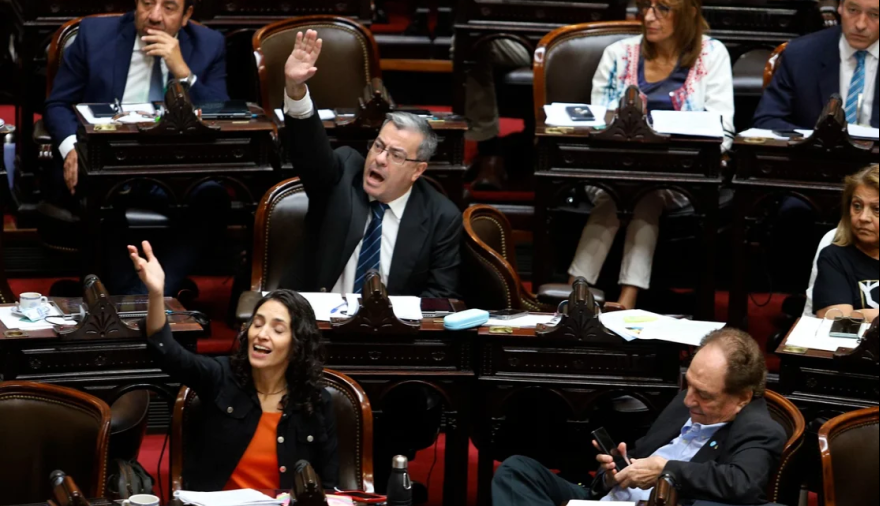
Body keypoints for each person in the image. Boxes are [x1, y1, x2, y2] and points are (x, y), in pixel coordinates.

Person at [43, 0, 232, 296]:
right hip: (104, 163)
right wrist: (72, 149)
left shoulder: (209, 45)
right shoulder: (94, 35)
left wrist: (184, 73)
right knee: (99, 193)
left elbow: (221, 114)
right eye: (147, 3)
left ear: (186, 15)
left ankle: (138, 299)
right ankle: (145, 302)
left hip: (175, 168)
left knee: (213, 198)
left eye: (169, 7)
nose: (154, 16)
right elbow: (57, 104)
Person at [129, 240, 339, 491]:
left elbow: (329, 484)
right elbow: (168, 353)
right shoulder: (221, 376)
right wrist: (156, 293)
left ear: (297, 344)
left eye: (277, 329)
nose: (262, 334)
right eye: (257, 324)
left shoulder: (315, 401)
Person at [492, 328, 786, 505]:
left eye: (704, 395)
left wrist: (665, 471)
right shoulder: (687, 401)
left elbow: (742, 483)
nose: (688, 400)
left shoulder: (758, 428)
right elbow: (641, 454)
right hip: (607, 498)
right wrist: (613, 474)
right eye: (689, 385)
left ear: (742, 398)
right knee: (517, 470)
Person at [567, 0, 734, 309]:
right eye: (646, 6)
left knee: (646, 193)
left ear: (689, 12)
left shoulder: (712, 55)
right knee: (624, 191)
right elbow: (598, 122)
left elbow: (723, 131)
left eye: (663, 8)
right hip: (612, 171)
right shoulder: (618, 54)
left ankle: (580, 293)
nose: (649, 16)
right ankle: (608, 297)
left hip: (680, 177)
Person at [279, 30, 462, 298]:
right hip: (316, 318)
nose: (380, 159)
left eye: (396, 155)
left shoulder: (441, 217)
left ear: (418, 170)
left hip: (393, 324)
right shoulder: (343, 176)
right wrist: (296, 90)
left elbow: (441, 296)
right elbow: (310, 154)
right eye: (378, 146)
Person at [753, 0, 879, 129]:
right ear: (840, 7)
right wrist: (813, 139)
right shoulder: (801, 54)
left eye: (875, 14)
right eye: (852, 10)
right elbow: (767, 120)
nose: (860, 25)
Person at [813, 165, 879, 321]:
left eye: (877, 209)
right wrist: (855, 316)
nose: (863, 217)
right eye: (857, 206)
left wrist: (861, 315)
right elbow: (839, 321)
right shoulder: (834, 257)